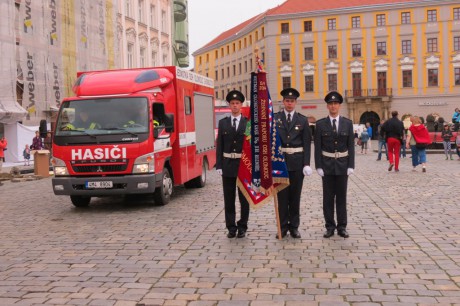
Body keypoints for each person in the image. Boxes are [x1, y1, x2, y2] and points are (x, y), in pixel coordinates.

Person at [314, 91, 355, 239]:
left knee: (342, 198)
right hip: (327, 165)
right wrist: (318, 166)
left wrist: (351, 165)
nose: (333, 106)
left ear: (339, 105)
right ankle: (330, 226)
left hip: (343, 165)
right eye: (330, 104)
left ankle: (342, 226)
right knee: (328, 198)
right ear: (327, 106)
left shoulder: (347, 123)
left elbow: (351, 146)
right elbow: (317, 146)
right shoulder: (320, 124)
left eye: (335, 103)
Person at [275, 87, 312, 239]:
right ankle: (282, 227)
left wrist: (306, 164)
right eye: (287, 101)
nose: (289, 104)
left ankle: (294, 227)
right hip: (281, 163)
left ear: (296, 102)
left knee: (295, 197)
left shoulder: (302, 120)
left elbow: (307, 143)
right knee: (282, 197)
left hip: (297, 164)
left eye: (292, 101)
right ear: (283, 102)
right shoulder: (275, 118)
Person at [216, 90, 250, 239]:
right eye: (232, 103)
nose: (235, 106)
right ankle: (231, 227)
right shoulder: (223, 123)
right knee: (229, 199)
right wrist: (219, 165)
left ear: (241, 105)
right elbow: (220, 145)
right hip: (228, 165)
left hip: (243, 165)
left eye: (237, 103)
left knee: (244, 199)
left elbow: (250, 146)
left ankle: (242, 226)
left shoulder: (247, 123)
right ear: (229, 105)